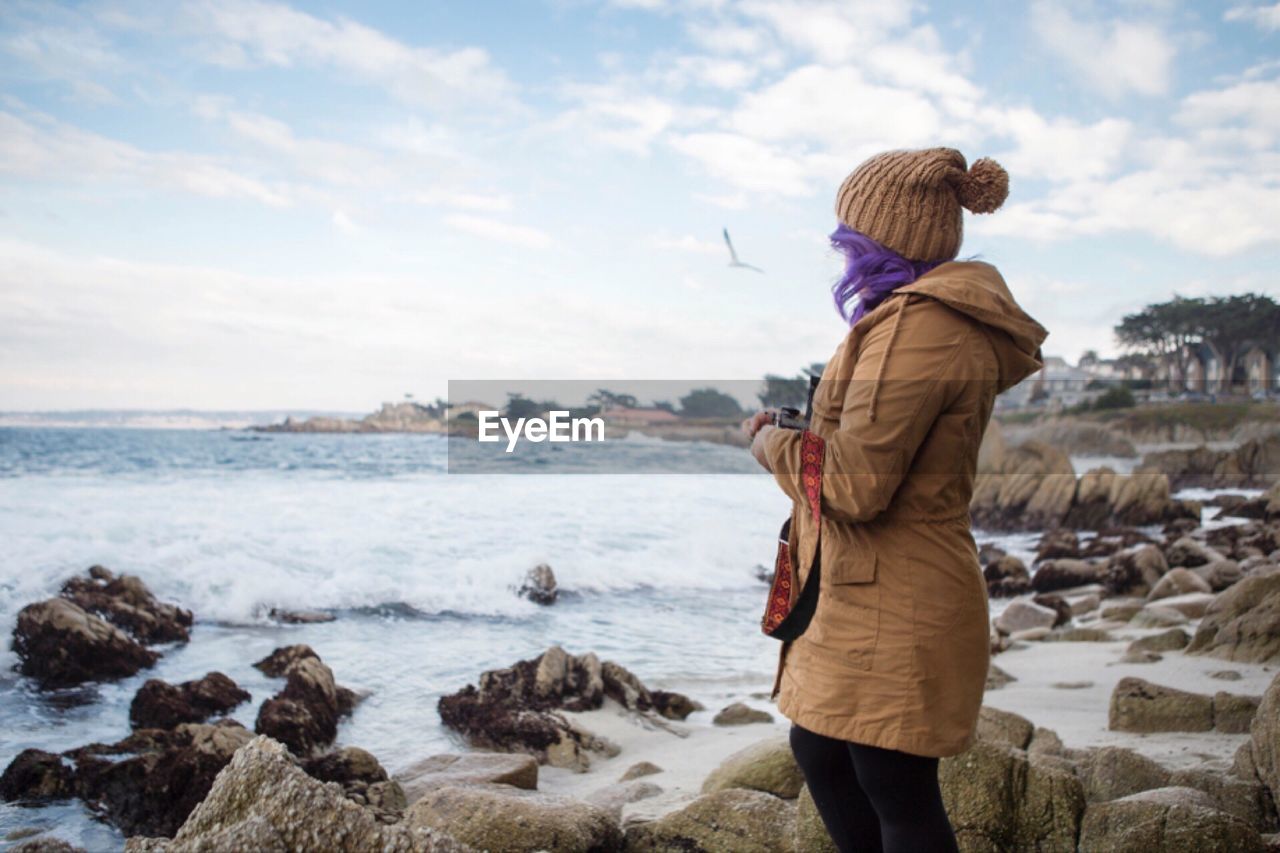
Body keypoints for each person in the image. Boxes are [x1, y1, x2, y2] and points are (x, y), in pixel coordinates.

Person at [742, 147, 1048, 853]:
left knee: (893, 783)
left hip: (897, 594)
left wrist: (771, 447)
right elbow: (869, 446)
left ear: (882, 238)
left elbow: (852, 484)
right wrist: (805, 431)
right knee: (824, 751)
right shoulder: (910, 322)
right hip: (866, 588)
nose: (842, 251)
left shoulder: (921, 326)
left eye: (849, 236)